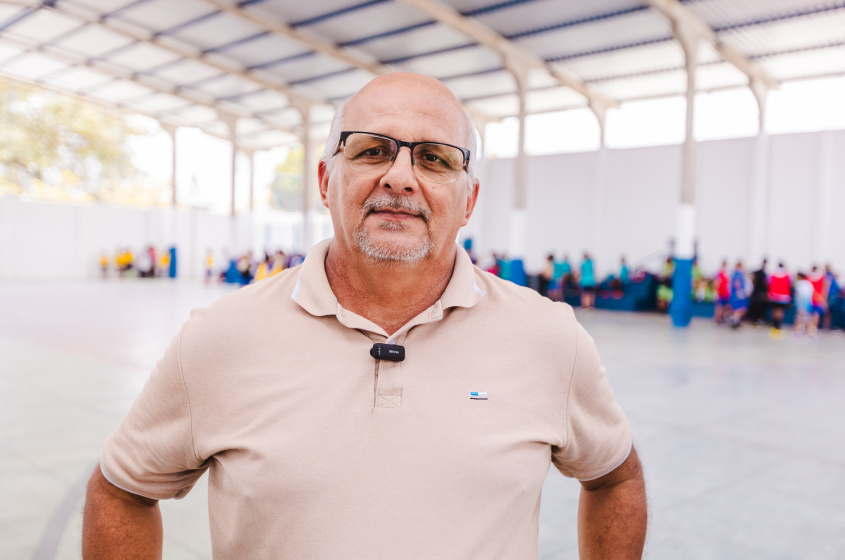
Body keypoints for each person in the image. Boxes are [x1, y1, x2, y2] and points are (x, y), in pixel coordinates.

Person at [82, 72, 646, 560]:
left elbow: (615, 476)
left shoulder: (547, 337)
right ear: (327, 182)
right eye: (372, 149)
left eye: (434, 158)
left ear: (468, 199)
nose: (400, 176)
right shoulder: (221, 337)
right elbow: (121, 490)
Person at [767, 262, 792, 337]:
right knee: (780, 312)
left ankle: (774, 325)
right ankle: (777, 326)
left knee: (774, 311)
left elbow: (769, 284)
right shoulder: (787, 275)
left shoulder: (773, 274)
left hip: (774, 296)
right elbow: (789, 285)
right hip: (783, 297)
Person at [728, 261, 749, 329]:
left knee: (740, 309)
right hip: (738, 294)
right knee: (739, 309)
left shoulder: (734, 273)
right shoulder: (738, 273)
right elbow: (737, 283)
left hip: (736, 293)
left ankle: (735, 320)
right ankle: (734, 320)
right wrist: (739, 292)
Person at [747, 258, 768, 325]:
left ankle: (754, 318)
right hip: (759, 293)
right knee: (758, 306)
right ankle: (756, 318)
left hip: (756, 292)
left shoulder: (758, 272)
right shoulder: (762, 273)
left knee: (755, 306)